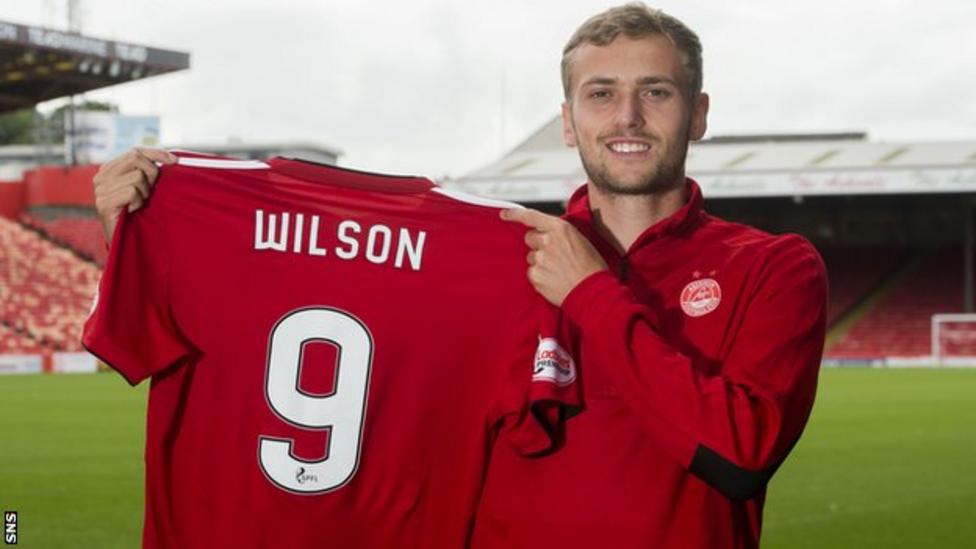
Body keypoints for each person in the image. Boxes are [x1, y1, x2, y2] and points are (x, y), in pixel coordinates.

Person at [92, 4, 826, 548]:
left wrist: (590, 293)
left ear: (697, 114)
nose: (626, 115)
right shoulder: (499, 253)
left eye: (656, 92)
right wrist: (140, 232)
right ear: (568, 121)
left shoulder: (774, 265)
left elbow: (739, 455)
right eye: (600, 94)